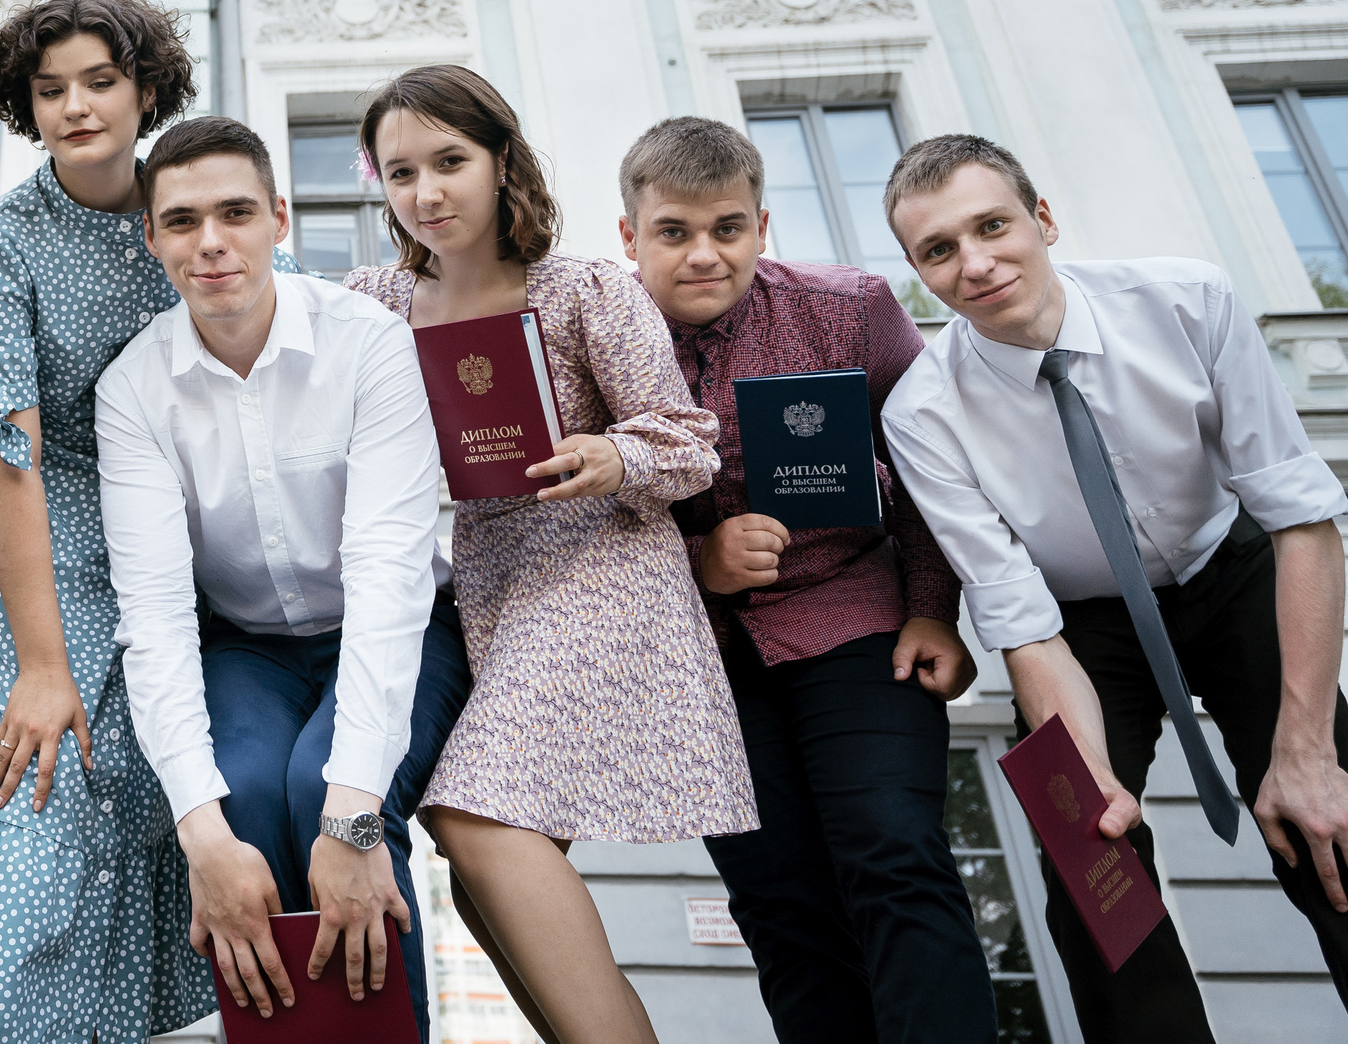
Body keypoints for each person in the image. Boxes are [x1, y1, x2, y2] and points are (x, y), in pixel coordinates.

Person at [880, 133, 1348, 1042]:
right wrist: (1092, 778)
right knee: (1086, 857)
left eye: (993, 225)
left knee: (1327, 826)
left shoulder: (1188, 300)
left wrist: (1303, 749)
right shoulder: (920, 413)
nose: (976, 263)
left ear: (1044, 219)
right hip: (1078, 627)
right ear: (916, 272)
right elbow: (1022, 622)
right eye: (939, 250)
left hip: (1232, 570)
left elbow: (1300, 517)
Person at [345, 65, 750, 1044]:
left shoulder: (583, 288)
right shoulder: (372, 300)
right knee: (492, 873)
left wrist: (612, 454)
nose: (427, 192)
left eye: (449, 161)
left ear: (500, 161)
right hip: (485, 582)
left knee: (471, 818)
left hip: (606, 570)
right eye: (401, 173)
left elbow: (689, 444)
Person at [615, 115, 993, 1043]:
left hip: (856, 617)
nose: (705, 254)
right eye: (674, 232)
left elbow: (933, 466)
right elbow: (577, 524)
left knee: (893, 854)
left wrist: (934, 612)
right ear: (629, 235)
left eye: (728, 228)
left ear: (762, 225)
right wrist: (697, 562)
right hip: (699, 659)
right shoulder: (596, 335)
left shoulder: (851, 307)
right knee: (778, 900)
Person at [96, 117, 469, 1043]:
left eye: (235, 213)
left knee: (325, 791)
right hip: (247, 646)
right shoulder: (134, 385)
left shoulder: (370, 342)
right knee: (245, 797)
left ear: (279, 217)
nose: (210, 241)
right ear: (151, 238)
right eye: (181, 221)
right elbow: (155, 612)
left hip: (397, 630)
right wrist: (202, 837)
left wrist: (353, 822)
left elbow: (389, 575)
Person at [0, 0, 250, 1043]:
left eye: (100, 81)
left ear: (145, 89)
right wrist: (41, 662)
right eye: (50, 88)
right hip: (36, 561)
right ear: (26, 107)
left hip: (178, 561)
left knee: (165, 835)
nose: (76, 105)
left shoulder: (193, 216)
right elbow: (8, 457)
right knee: (31, 832)